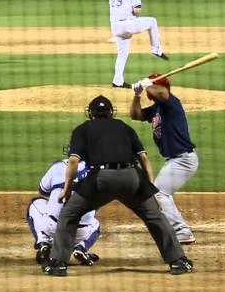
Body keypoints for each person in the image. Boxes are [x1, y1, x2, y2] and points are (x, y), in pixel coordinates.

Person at [42, 95, 193, 277]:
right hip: (132, 178)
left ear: (90, 113)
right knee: (155, 217)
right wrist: (149, 188)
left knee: (69, 214)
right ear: (111, 112)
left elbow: (73, 161)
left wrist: (66, 189)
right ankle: (178, 261)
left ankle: (58, 263)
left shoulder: (82, 129)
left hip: (101, 179)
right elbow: (143, 159)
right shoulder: (124, 127)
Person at [130, 74, 198, 244]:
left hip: (183, 159)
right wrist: (137, 95)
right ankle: (178, 228)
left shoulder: (171, 103)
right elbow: (135, 115)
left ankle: (182, 231)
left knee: (159, 192)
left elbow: (163, 93)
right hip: (174, 160)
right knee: (160, 192)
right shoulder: (156, 108)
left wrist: (148, 85)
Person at [26, 145, 101, 267]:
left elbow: (43, 191)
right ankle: (81, 247)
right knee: (95, 223)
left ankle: (43, 243)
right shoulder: (97, 172)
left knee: (35, 203)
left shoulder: (58, 166)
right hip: (80, 233)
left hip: (53, 228)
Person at [109, 0, 169, 89]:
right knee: (152, 21)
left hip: (115, 26)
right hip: (128, 24)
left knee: (122, 54)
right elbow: (137, 11)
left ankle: (117, 81)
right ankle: (156, 50)